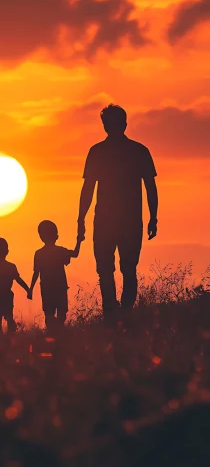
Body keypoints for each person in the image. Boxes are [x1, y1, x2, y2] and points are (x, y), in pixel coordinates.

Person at [77, 104, 158, 323]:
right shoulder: (138, 150)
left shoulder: (100, 151)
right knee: (124, 268)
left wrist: (81, 219)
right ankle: (118, 314)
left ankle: (115, 314)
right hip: (124, 220)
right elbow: (150, 186)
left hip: (109, 220)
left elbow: (88, 190)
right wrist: (153, 217)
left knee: (111, 269)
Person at [28, 220, 81, 333]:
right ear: (56, 236)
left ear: (41, 237)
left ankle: (53, 334)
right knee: (61, 314)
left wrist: (30, 289)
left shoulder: (39, 253)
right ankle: (58, 334)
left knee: (49, 314)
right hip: (60, 288)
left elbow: (36, 273)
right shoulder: (60, 251)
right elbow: (75, 254)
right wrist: (79, 241)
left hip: (47, 289)